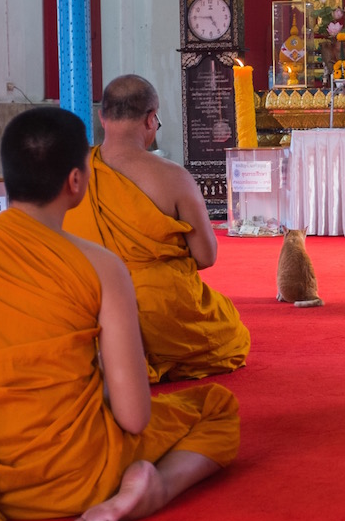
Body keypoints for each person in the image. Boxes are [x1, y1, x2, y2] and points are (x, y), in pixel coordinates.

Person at [0, 107, 239, 521]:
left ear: (6, 176)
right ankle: (156, 489)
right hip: (76, 479)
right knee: (216, 408)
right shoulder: (100, 266)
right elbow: (135, 417)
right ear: (77, 182)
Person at [64, 75, 250, 383]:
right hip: (159, 313)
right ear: (151, 119)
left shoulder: (74, 172)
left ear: (102, 116)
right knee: (231, 335)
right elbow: (205, 256)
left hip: (87, 311)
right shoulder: (174, 177)